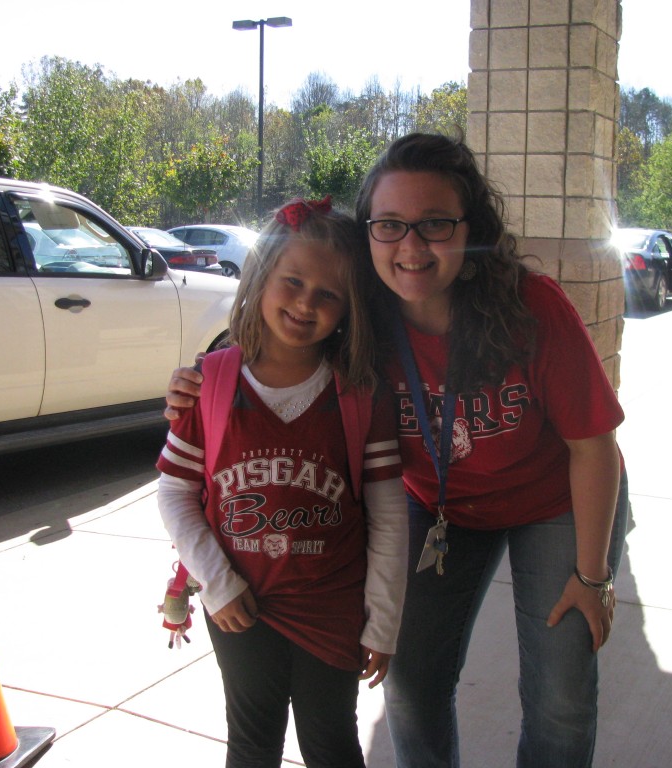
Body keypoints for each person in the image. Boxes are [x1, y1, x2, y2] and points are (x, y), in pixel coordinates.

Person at [167, 133, 629, 768]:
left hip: (556, 502)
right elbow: (275, 350)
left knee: (560, 698)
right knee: (410, 686)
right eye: (389, 225)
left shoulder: (531, 308)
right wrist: (199, 380)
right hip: (440, 508)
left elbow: (593, 446)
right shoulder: (358, 315)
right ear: (369, 235)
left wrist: (592, 575)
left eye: (435, 223)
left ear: (471, 229)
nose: (411, 246)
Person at [156, 197, 409, 768]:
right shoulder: (209, 383)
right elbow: (174, 492)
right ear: (262, 275)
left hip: (334, 607)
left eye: (328, 294)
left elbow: (389, 514)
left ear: (349, 308)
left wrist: (383, 620)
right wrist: (217, 583)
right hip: (239, 604)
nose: (304, 303)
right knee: (251, 743)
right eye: (292, 281)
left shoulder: (359, 394)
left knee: (332, 745)